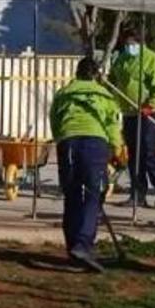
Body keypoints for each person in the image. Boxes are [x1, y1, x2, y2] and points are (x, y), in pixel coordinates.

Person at [50, 56, 123, 273]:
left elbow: (54, 119)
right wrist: (117, 148)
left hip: (68, 143)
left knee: (72, 194)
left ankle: (73, 247)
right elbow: (111, 124)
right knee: (93, 195)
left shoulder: (64, 93)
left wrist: (61, 140)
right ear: (97, 75)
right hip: (94, 143)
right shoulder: (104, 95)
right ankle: (83, 244)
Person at [108, 26, 155, 208]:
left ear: (139, 42)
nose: (128, 46)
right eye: (126, 43)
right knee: (133, 154)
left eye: (131, 43)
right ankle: (138, 193)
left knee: (148, 151)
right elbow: (114, 80)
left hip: (150, 112)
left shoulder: (153, 60)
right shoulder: (121, 59)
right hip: (129, 112)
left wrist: (150, 104)